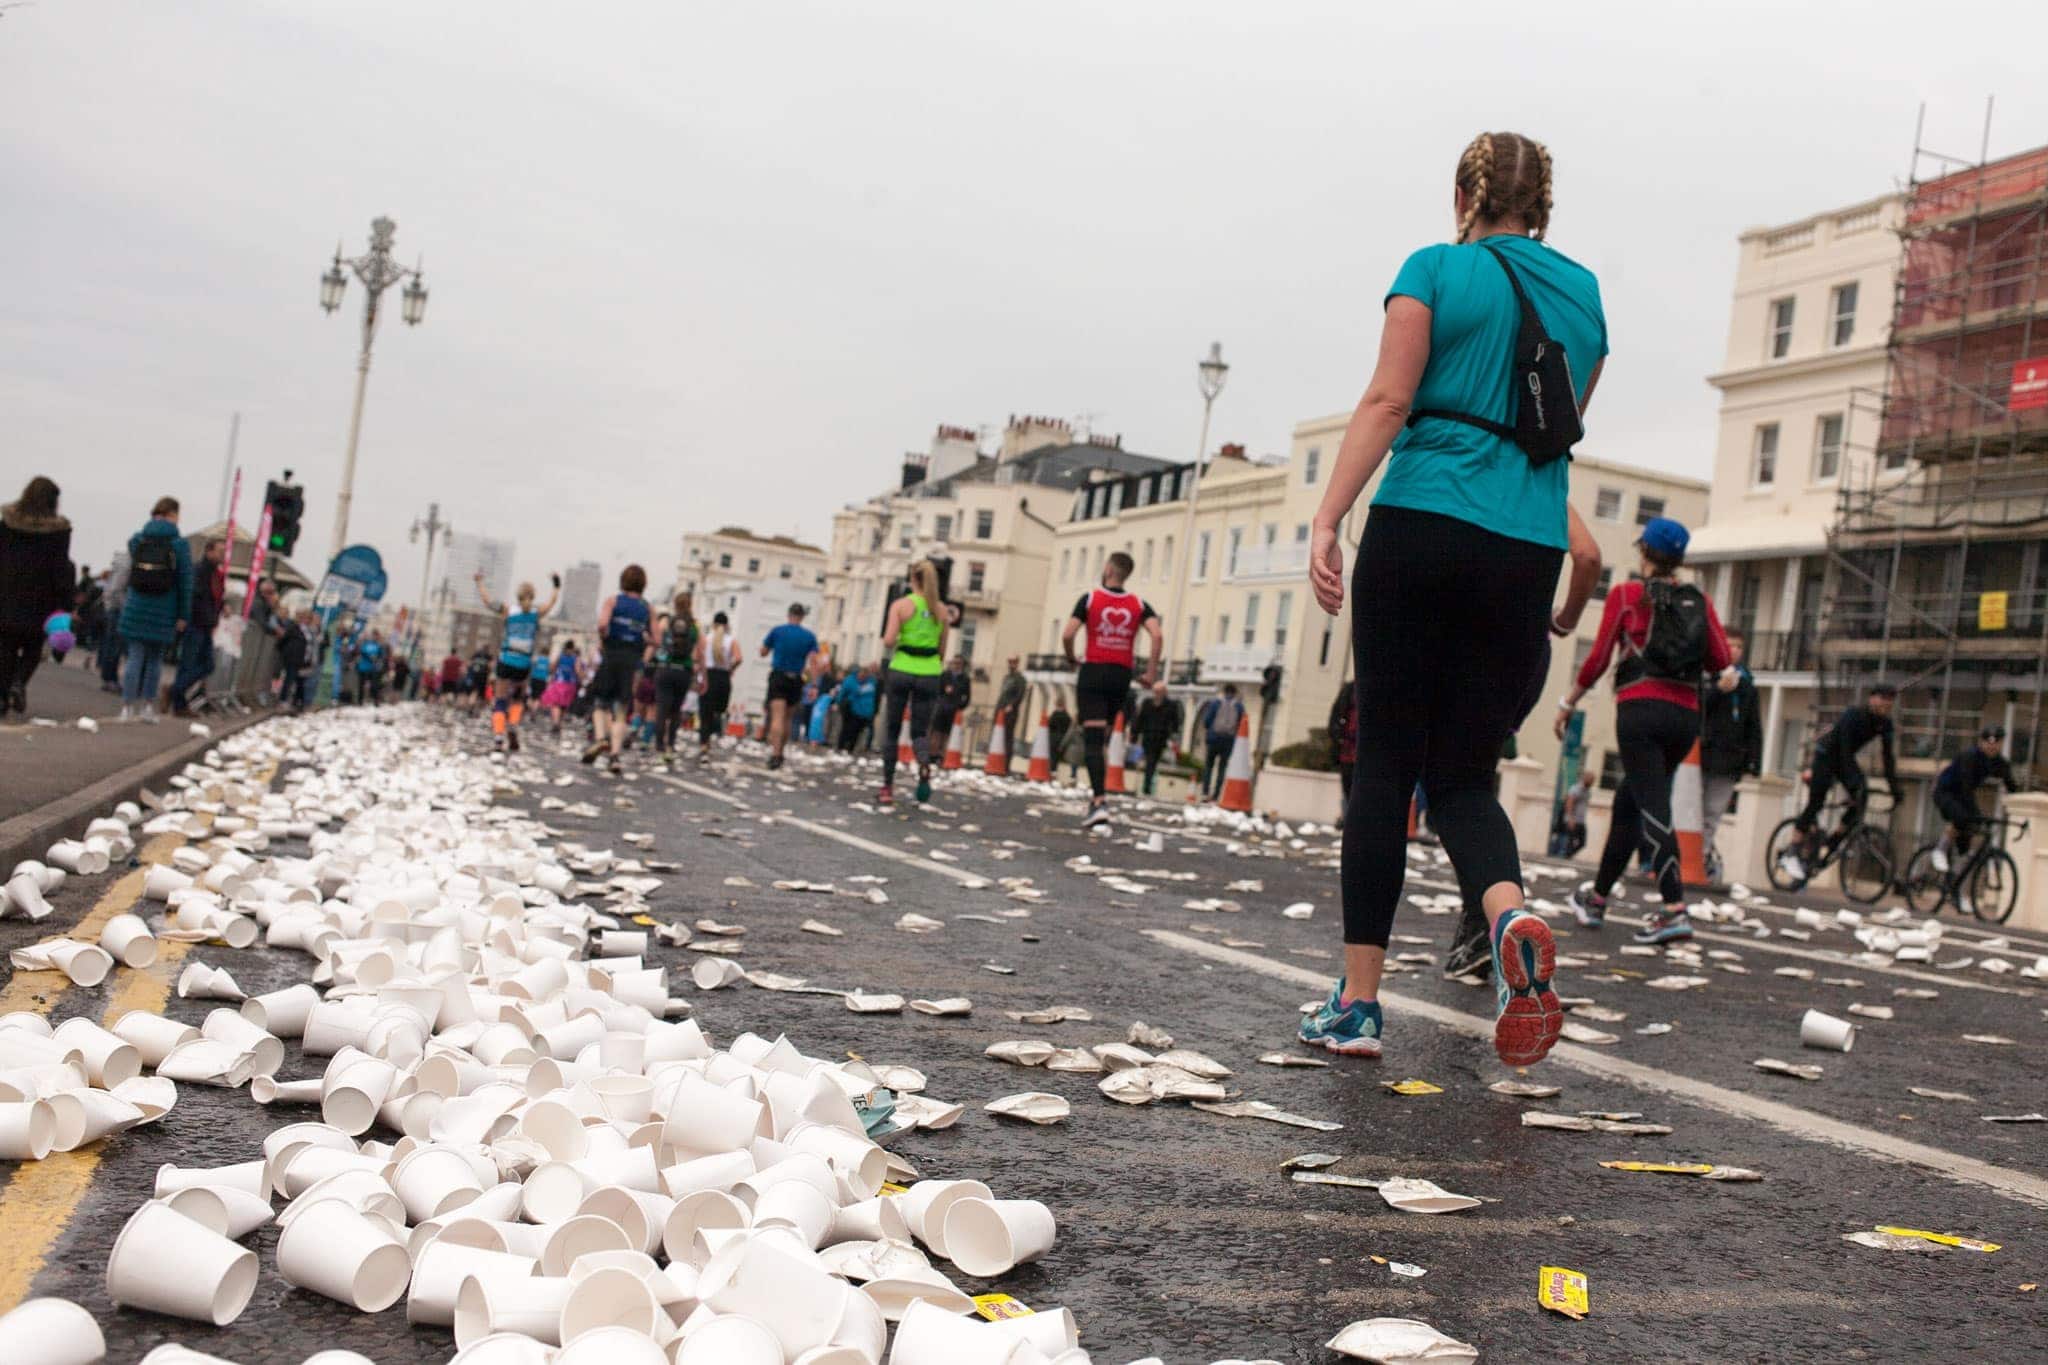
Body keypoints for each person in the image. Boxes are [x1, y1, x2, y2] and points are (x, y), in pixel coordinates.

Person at [1299, 131, 1605, 1064]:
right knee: (1464, 774)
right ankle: (1510, 922)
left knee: (1387, 762)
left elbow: (1389, 401)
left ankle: (1357, 1005)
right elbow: (1553, 429)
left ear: (1463, 195)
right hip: (1524, 546)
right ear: (1543, 206)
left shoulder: (1433, 267)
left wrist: (1327, 517)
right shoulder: (1585, 295)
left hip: (1424, 520)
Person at [1558, 518, 1732, 944]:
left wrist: (1569, 702)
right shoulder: (1698, 601)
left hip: (1639, 712)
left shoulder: (1627, 596)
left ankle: (1674, 909)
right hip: (1685, 717)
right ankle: (1597, 899)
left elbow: (1599, 658)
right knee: (1630, 805)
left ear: (1644, 553)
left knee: (1653, 806)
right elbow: (1722, 661)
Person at [1060, 552, 1163, 826]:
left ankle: (1099, 801)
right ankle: (1098, 797)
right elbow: (1157, 634)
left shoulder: (1090, 599)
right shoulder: (1139, 604)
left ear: (1107, 569)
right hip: (1121, 675)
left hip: (1094, 671)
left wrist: (1071, 657)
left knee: (1092, 741)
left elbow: (1068, 633)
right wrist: (1151, 672)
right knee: (1102, 740)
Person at [1784, 682, 1901, 884]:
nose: (1887, 704)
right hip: (1826, 755)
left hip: (1844, 759)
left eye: (1890, 700)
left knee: (1861, 798)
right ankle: (1791, 852)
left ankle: (1832, 843)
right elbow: (1844, 749)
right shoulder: (1854, 715)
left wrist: (1894, 788)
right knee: (1817, 802)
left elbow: (1888, 757)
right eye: (1883, 698)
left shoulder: (1884, 724)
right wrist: (1853, 780)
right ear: (1872, 698)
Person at [872, 564, 948, 804]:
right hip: (929, 672)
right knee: (919, 731)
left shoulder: (901, 605)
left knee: (892, 729)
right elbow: (942, 650)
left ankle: (887, 786)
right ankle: (924, 764)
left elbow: (889, 640)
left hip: (902, 669)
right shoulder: (942, 611)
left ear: (912, 579)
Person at [0, 477, 74, 717]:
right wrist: (64, 605)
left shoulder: (8, 522)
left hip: (8, 593)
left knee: (6, 647)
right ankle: (19, 683)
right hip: (41, 599)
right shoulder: (59, 530)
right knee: (32, 648)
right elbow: (60, 569)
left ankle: (2, 697)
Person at [117, 496, 193, 724]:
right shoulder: (179, 545)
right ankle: (148, 707)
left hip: (137, 605)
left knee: (134, 657)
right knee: (154, 660)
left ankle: (127, 706)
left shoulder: (137, 540)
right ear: (172, 514)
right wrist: (183, 614)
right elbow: (185, 582)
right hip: (165, 608)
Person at [1699, 630, 1762, 882]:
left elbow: (1753, 724)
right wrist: (1718, 690)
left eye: (1738, 647)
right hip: (1703, 754)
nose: (1733, 651)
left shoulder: (1747, 685)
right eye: (1729, 646)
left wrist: (1753, 760)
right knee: (1692, 808)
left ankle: (1702, 856)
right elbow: (1698, 706)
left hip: (1729, 759)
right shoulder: (1707, 675)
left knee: (1713, 812)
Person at [476, 571, 559, 753]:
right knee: (517, 699)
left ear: (518, 596)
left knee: (500, 700)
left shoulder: (508, 610)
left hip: (506, 659)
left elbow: (488, 602)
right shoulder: (536, 614)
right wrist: (556, 585)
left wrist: (479, 583)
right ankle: (513, 724)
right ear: (532, 597)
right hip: (524, 662)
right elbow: (551, 603)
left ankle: (498, 736)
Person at [585, 565, 652, 775]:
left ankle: (600, 739)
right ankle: (615, 756)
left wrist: (605, 638)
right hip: (632, 659)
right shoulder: (647, 608)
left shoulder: (613, 601)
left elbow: (603, 624)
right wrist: (643, 652)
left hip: (612, 654)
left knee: (600, 703)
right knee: (622, 710)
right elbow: (656, 639)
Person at [1932, 725, 2021, 878]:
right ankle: (1939, 850)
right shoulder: (1970, 756)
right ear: (1981, 742)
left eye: (1996, 742)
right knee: (1961, 817)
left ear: (2001, 743)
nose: (1992, 745)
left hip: (1963, 796)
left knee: (1966, 842)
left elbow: (2011, 785)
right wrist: (1975, 813)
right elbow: (1965, 788)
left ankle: (1954, 882)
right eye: (1988, 741)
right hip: (1945, 791)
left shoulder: (2000, 763)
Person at [169, 539, 226, 716]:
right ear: (209, 551)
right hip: (196, 623)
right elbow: (197, 597)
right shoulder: (200, 571)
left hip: (206, 625)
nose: (222, 555)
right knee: (190, 663)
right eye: (219, 551)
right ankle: (178, 699)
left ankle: (176, 691)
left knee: (207, 664)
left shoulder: (216, 575)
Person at [762, 603, 821, 772]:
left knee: (777, 717)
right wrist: (815, 684)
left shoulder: (778, 631)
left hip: (779, 675)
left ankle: (774, 753)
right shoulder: (809, 636)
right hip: (796, 678)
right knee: (788, 718)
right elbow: (814, 661)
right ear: (802, 617)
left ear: (789, 615)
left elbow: (763, 651)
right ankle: (781, 752)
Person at [647, 596, 699, 766]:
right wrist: (702, 676)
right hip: (684, 672)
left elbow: (656, 642)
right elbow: (700, 654)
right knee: (676, 710)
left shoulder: (667, 622)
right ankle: (671, 744)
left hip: (666, 669)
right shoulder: (694, 626)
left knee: (662, 708)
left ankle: (659, 745)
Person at [695, 611, 743, 758]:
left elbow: (697, 657)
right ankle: (714, 733)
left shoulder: (705, 638)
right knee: (718, 710)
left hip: (707, 675)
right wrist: (730, 668)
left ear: (713, 624)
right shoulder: (731, 640)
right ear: (727, 625)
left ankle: (704, 743)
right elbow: (739, 658)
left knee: (704, 712)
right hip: (723, 677)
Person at [1135, 682, 1184, 797]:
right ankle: (1147, 786)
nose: (1156, 694)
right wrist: (1135, 733)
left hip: (1161, 737)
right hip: (1148, 736)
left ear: (1164, 692)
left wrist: (1173, 735)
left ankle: (1148, 784)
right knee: (1150, 761)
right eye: (1155, 692)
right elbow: (1140, 718)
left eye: (1159, 692)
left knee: (1153, 761)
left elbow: (1175, 722)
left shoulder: (1171, 705)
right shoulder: (1147, 703)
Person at [1197, 685, 1245, 801]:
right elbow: (1241, 724)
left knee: (1209, 766)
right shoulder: (1239, 706)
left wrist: (1209, 731)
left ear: (1224, 692)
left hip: (1214, 739)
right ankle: (1216, 795)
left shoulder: (1216, 703)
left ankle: (1205, 792)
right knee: (1222, 767)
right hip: (1228, 740)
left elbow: (1207, 721)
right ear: (1234, 693)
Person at [933, 655, 972, 758]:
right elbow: (937, 690)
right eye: (954, 663)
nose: (955, 665)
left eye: (958, 663)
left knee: (947, 733)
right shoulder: (945, 675)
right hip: (942, 708)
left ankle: (942, 755)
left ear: (962, 665)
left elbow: (967, 697)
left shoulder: (965, 679)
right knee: (937, 732)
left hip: (953, 709)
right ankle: (934, 754)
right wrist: (940, 701)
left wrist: (960, 707)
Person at [834, 665, 879, 753]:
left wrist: (872, 711)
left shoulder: (871, 682)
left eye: (864, 676)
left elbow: (874, 698)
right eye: (861, 676)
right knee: (847, 728)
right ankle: (841, 747)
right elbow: (842, 693)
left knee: (857, 731)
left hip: (864, 712)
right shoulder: (850, 681)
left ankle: (850, 748)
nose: (862, 678)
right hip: (851, 709)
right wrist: (838, 703)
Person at [1551, 769, 1595, 859]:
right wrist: (1570, 818)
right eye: (1591, 779)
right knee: (1569, 841)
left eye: (1593, 780)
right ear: (1585, 778)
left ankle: (1567, 856)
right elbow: (1569, 803)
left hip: (1581, 820)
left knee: (1582, 842)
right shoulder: (1576, 789)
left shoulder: (1588, 791)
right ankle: (1564, 857)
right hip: (1573, 820)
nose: (1592, 782)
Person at [541, 640, 580, 734]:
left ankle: (556, 722)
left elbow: (552, 668)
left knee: (556, 704)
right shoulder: (575, 658)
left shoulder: (560, 656)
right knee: (564, 706)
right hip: (570, 684)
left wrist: (552, 673)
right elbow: (578, 671)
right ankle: (559, 723)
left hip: (558, 682)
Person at [355, 629, 389, 705]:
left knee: (374, 685)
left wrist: (377, 659)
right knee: (361, 685)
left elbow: (382, 656)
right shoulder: (366, 644)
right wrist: (370, 657)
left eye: (376, 635)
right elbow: (362, 651)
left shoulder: (378, 645)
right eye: (373, 635)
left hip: (373, 669)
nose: (374, 637)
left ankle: (375, 700)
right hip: (363, 667)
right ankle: (360, 701)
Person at [994, 656, 1028, 733]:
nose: (1011, 664)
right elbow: (1003, 693)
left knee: (1007, 735)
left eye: (1013, 662)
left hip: (1010, 712)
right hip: (1000, 709)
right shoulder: (1006, 677)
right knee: (997, 734)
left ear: (1017, 664)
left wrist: (1012, 705)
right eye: (1010, 662)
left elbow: (1020, 694)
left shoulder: (1020, 679)